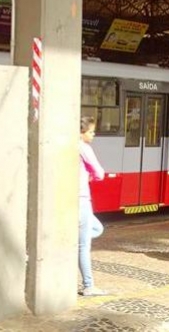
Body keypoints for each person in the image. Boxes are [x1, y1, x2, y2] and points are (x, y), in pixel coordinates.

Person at [78, 117, 107, 297]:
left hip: (70, 199)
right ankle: (89, 285)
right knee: (83, 246)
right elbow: (100, 173)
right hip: (81, 199)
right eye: (90, 131)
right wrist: (92, 176)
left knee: (97, 227)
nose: (93, 134)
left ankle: (71, 244)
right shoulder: (84, 148)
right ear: (82, 133)